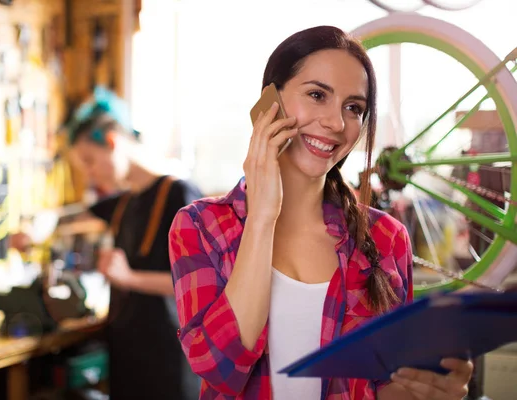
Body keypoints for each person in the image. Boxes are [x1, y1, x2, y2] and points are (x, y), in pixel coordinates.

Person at [168, 26, 472, 400]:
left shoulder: (386, 237)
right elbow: (219, 366)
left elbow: (381, 387)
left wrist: (433, 391)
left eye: (354, 108)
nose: (337, 123)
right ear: (269, 101)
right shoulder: (200, 225)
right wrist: (262, 216)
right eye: (316, 95)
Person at [68, 87, 203, 400]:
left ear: (113, 142)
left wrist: (128, 277)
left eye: (90, 161)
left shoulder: (179, 194)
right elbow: (75, 215)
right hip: (128, 354)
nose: (90, 174)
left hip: (167, 361)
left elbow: (194, 283)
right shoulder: (126, 201)